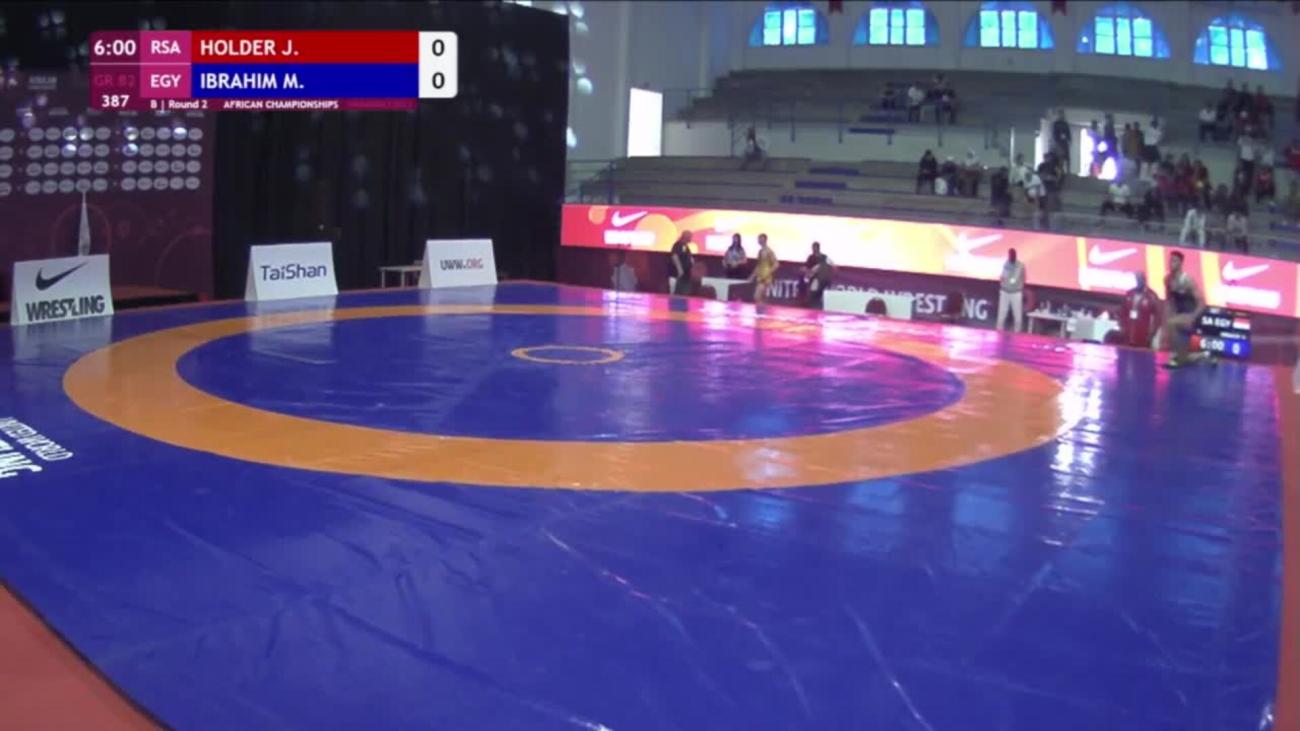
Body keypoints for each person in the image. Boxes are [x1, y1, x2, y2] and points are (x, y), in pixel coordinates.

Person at [1163, 251, 1210, 368]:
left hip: (1193, 315)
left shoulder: (1187, 280)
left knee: (1171, 324)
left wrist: (1192, 318)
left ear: (1180, 263)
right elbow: (1169, 301)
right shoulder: (1167, 280)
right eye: (1170, 260)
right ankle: (1204, 355)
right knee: (1184, 357)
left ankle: (1176, 357)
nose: (1171, 263)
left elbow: (1202, 302)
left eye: (1174, 261)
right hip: (1181, 315)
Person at [1118, 272, 1161, 349]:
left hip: (1143, 336)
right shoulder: (1129, 294)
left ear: (1145, 280)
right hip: (1128, 334)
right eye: (1137, 279)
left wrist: (1152, 333)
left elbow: (1157, 317)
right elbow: (1122, 312)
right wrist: (1122, 327)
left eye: (1140, 279)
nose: (1139, 281)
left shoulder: (1152, 296)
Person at [996, 248, 1026, 332]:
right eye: (1009, 256)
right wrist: (1003, 280)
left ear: (1015, 256)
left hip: (1016, 293)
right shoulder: (1006, 264)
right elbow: (1002, 276)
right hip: (1005, 292)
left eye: (1012, 255)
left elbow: (1014, 280)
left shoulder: (1020, 266)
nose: (1010, 257)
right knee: (1002, 314)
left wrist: (1006, 280)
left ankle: (1017, 332)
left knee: (1017, 315)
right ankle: (998, 331)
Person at [800, 241, 834, 310]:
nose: (814, 249)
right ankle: (811, 305)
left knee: (817, 294)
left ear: (818, 248)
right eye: (813, 248)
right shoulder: (810, 257)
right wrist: (807, 272)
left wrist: (828, 274)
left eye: (815, 248)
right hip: (814, 279)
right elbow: (807, 268)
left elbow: (833, 265)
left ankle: (816, 306)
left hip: (822, 280)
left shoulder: (825, 257)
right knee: (812, 292)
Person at [750, 233, 778, 303]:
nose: (759, 240)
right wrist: (753, 275)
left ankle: (761, 307)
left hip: (765, 277)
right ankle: (762, 308)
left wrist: (768, 273)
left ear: (764, 240)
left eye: (760, 239)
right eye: (759, 239)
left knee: (757, 296)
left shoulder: (769, 251)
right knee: (762, 297)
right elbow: (759, 265)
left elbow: (776, 264)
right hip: (760, 276)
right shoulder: (760, 251)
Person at [668, 230, 694, 295]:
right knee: (679, 292)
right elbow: (675, 256)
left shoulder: (684, 246)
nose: (691, 238)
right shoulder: (679, 245)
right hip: (679, 275)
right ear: (686, 237)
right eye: (690, 237)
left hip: (685, 275)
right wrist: (680, 269)